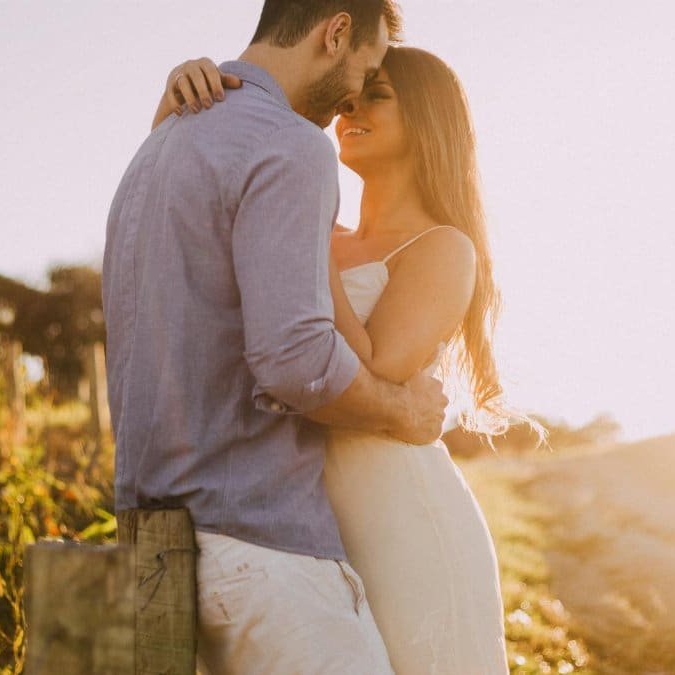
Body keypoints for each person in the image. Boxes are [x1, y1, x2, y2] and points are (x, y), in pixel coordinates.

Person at [159, 44, 546, 675]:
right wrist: (174, 101)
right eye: (351, 96)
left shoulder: (444, 248)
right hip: (304, 526)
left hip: (403, 519)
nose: (351, 107)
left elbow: (374, 372)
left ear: (429, 118)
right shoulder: (312, 227)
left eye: (379, 95)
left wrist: (308, 234)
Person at [102, 2, 451, 674]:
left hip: (153, 550)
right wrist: (402, 408)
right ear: (337, 32)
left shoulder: (155, 149)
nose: (356, 96)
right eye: (368, 69)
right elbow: (295, 361)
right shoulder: (290, 144)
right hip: (262, 554)